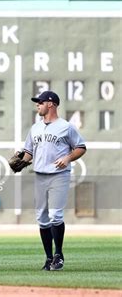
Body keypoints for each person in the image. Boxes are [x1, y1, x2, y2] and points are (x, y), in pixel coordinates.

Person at [20, 91, 86, 271]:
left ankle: (59, 254)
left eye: (40, 102)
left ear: (51, 104)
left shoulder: (66, 127)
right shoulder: (35, 128)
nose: (37, 105)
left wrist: (68, 158)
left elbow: (81, 147)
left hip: (59, 175)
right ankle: (49, 258)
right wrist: (20, 160)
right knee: (42, 219)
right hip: (40, 176)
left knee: (55, 215)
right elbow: (28, 153)